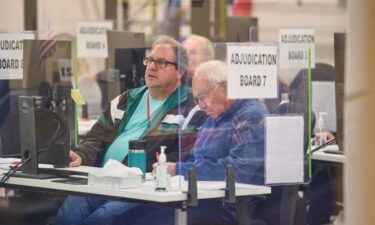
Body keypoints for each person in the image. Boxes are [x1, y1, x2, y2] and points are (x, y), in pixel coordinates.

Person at [53, 35, 205, 225]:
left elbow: (186, 154)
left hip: (143, 188)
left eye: (161, 62)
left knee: (102, 219)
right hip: (103, 180)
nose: (152, 66)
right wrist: (81, 155)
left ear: (180, 72)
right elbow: (96, 138)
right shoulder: (126, 99)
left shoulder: (191, 107)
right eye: (150, 60)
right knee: (68, 216)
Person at [110, 60, 268, 225]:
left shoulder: (250, 116)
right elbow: (197, 159)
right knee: (119, 214)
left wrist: (178, 169)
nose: (200, 106)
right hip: (199, 198)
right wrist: (170, 170)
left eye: (203, 97)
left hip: (226, 206)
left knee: (138, 220)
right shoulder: (216, 115)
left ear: (224, 88)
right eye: (196, 99)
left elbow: (237, 171)